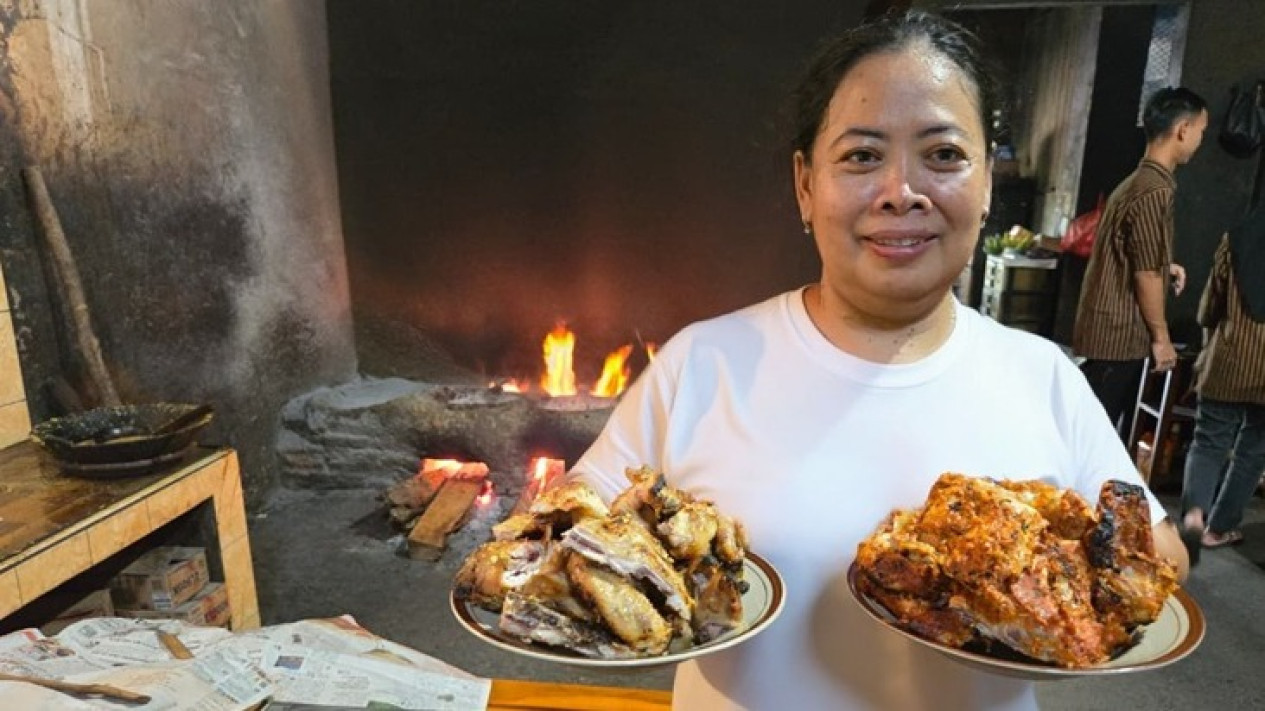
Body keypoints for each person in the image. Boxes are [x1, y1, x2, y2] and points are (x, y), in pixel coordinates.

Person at [565, 10, 1189, 711]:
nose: (900, 189)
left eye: (944, 155)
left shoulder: (1041, 374)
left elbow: (1159, 558)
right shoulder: (703, 363)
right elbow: (568, 531)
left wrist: (1053, 596)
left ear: (986, 182)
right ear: (805, 185)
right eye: (861, 156)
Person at [1073, 87, 1208, 440]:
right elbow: (1144, 272)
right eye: (1200, 131)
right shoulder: (1155, 191)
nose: (1199, 139)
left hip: (1108, 333)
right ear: (1183, 129)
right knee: (1094, 441)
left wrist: (1167, 265)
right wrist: (1162, 338)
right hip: (1119, 338)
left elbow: (1142, 255)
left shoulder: (1138, 183)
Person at [1180, 204, 1265, 551]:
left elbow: (1212, 300)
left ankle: (1193, 519)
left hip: (1229, 358)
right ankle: (1220, 528)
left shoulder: (1238, 236)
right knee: (1253, 451)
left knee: (1209, 442)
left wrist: (1208, 328)